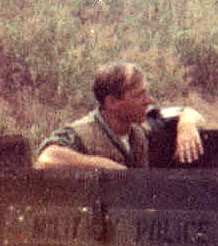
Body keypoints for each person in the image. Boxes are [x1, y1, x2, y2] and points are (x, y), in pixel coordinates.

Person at [35, 61, 205, 170]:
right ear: (112, 103)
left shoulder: (142, 123)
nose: (149, 101)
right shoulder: (82, 133)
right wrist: (103, 165)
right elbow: (47, 157)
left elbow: (189, 112)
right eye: (139, 96)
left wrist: (187, 126)